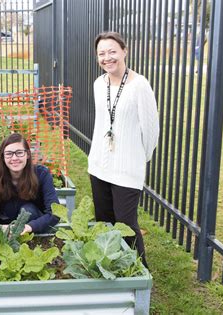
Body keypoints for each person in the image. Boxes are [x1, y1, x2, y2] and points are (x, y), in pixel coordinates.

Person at [89, 31, 159, 266]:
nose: (107, 58)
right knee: (104, 222)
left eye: (112, 51)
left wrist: (139, 158)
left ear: (124, 51)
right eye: (101, 53)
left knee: (127, 225)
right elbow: (101, 123)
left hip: (127, 168)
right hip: (99, 165)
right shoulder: (99, 84)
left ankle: (140, 273)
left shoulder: (140, 86)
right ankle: (113, 268)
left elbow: (151, 130)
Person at [0, 133, 60, 234]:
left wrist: (29, 227)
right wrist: (1, 228)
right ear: (3, 157)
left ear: (27, 154)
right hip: (3, 233)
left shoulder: (42, 174)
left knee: (28, 210)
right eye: (9, 153)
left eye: (19, 152)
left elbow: (55, 213)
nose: (14, 158)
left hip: (32, 232)